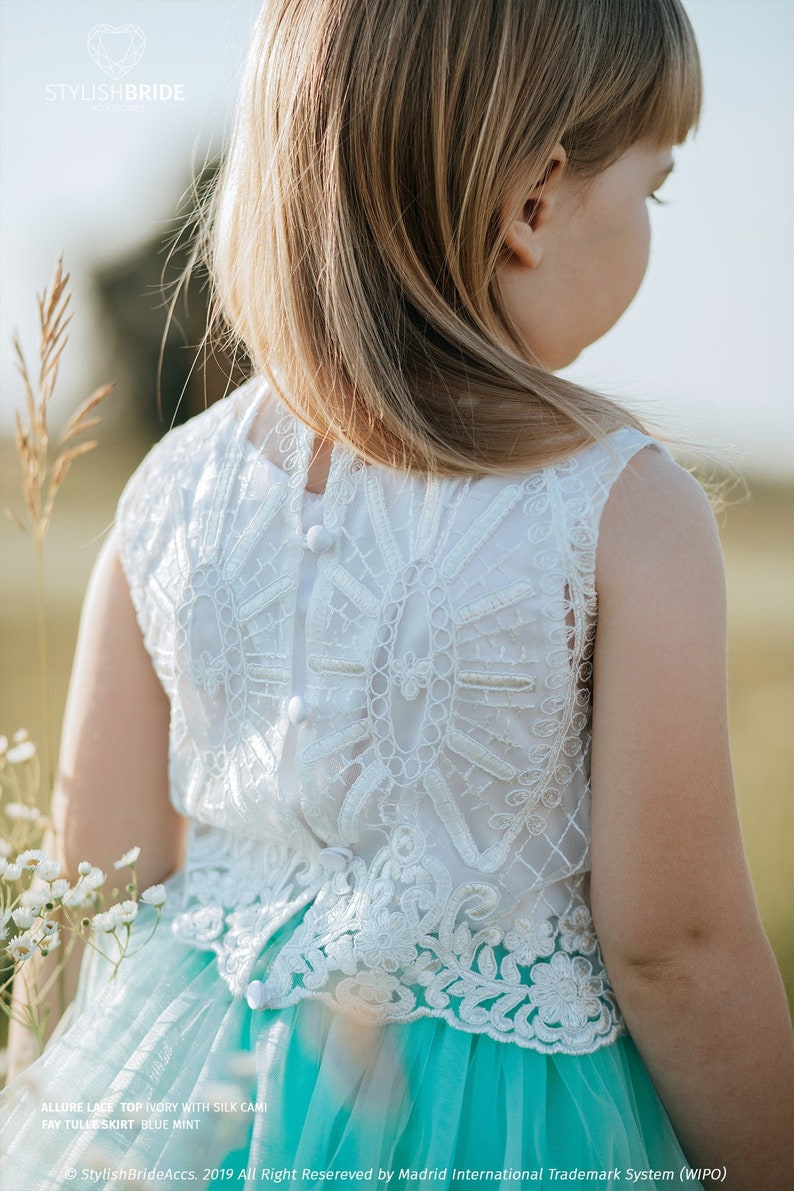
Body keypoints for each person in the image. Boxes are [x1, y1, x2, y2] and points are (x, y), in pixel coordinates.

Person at [2, 1, 792, 1188]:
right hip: (503, 1130)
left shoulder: (168, 495)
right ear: (533, 202)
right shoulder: (624, 511)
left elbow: (89, 896)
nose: (656, 224)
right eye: (654, 189)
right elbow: (672, 948)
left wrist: (38, 1116)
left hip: (197, 1101)